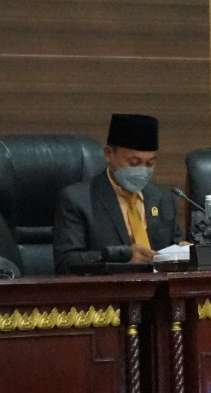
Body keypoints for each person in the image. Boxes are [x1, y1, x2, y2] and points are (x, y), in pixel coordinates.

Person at [53, 113, 181, 274]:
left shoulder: (164, 198)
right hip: (109, 288)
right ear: (108, 154)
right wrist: (122, 258)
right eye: (134, 163)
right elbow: (66, 263)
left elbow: (173, 248)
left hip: (159, 288)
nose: (142, 170)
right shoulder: (77, 200)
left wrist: (186, 253)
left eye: (150, 163)